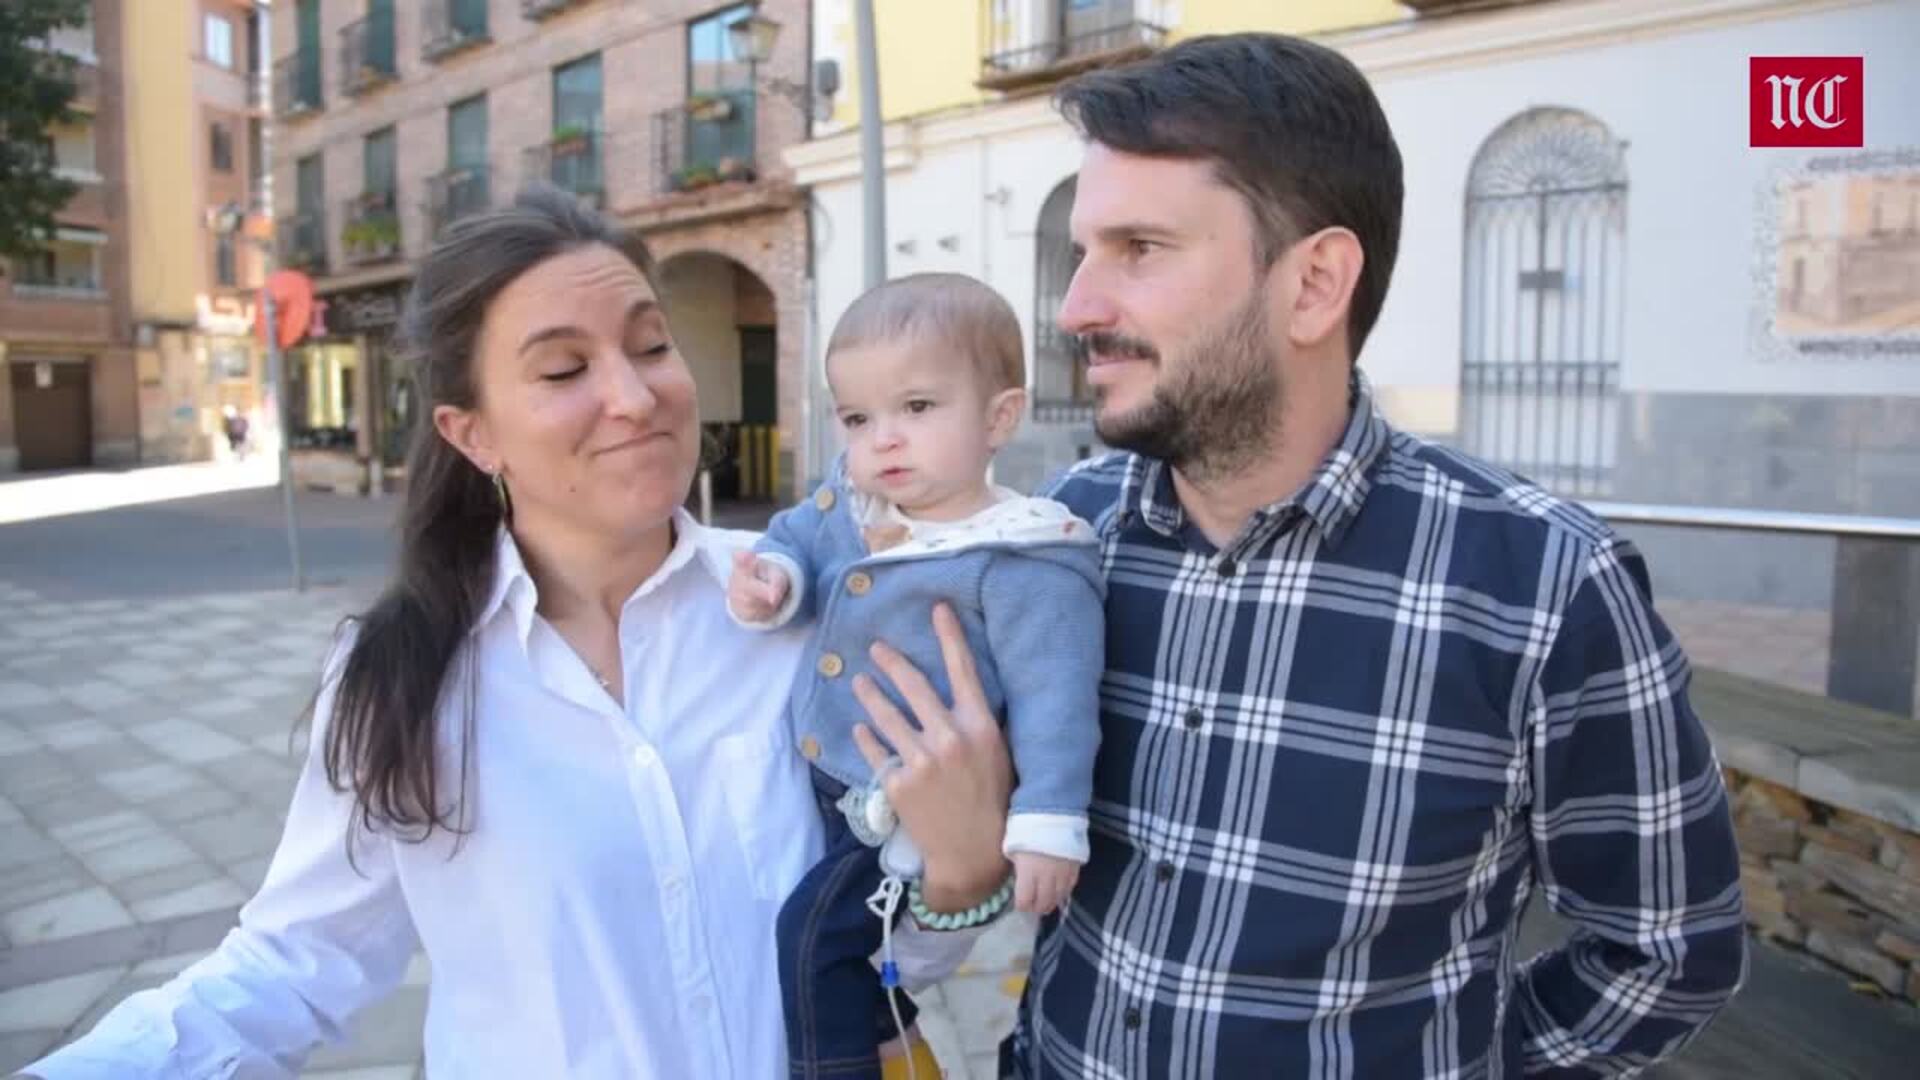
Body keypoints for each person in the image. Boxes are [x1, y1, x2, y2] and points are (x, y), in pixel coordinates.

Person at [884, 34, 1747, 1078]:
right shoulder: (1067, 535)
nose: (1075, 309)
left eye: (1140, 249)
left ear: (1314, 284)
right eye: (1083, 253)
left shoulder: (1545, 589)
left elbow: (1667, 948)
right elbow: (990, 849)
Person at [17, 187, 1013, 1080]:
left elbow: (872, 964)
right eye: (565, 368)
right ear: (471, 434)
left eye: (652, 344)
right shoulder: (403, 678)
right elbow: (291, 969)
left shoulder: (809, 620)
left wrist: (959, 878)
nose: (635, 395)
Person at [726, 274, 1104, 1079]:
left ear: (1000, 417)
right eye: (860, 418)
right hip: (830, 779)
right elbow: (795, 536)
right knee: (855, 964)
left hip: (901, 808)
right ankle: (894, 1049)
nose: (884, 439)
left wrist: (1047, 818)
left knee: (813, 936)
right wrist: (777, 580)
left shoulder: (1022, 555)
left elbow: (1057, 699)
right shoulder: (853, 501)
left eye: (918, 409)